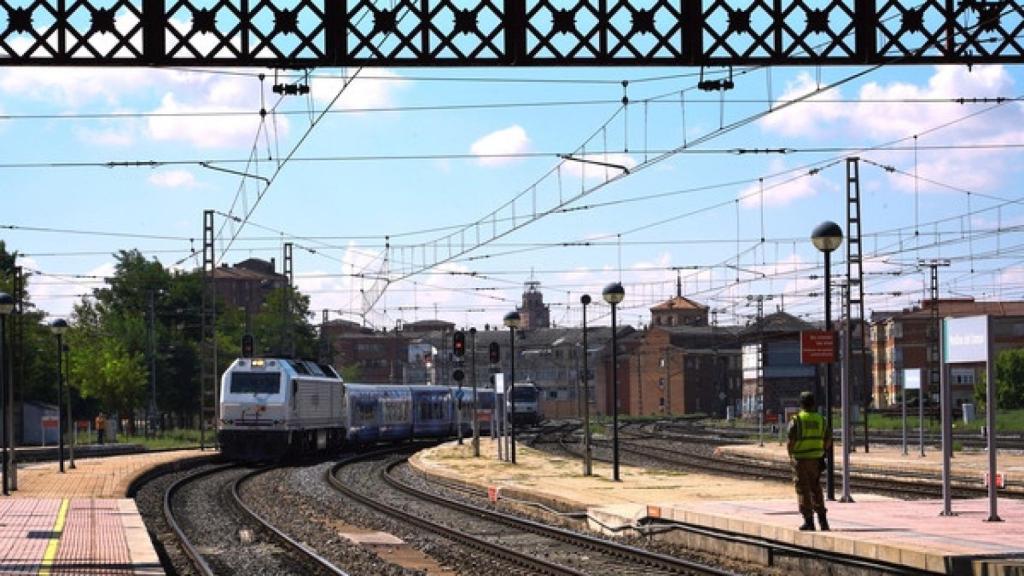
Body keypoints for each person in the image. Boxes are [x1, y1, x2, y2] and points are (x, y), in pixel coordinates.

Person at [787, 391, 832, 531]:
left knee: (803, 490)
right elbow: (828, 440)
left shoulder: (797, 420)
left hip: (801, 459)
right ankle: (823, 521)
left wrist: (791, 455)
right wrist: (821, 450)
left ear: (801, 404)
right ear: (813, 404)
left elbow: (790, 441)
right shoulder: (821, 420)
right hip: (816, 460)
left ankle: (809, 521)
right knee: (816, 489)